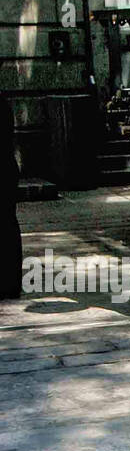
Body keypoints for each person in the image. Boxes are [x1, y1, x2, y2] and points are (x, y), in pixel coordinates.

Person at [0, 94, 22, 300]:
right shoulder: (4, 103)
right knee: (8, 224)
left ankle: (9, 282)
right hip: (6, 168)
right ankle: (10, 282)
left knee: (6, 225)